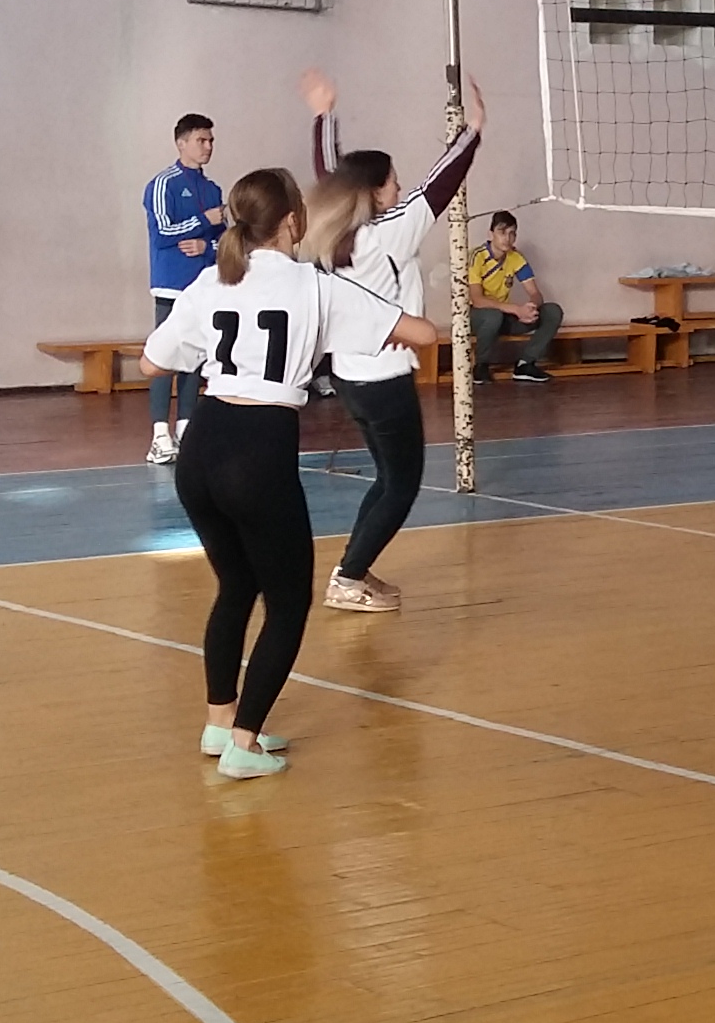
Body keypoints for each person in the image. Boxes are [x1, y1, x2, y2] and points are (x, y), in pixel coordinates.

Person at [140, 168, 433, 779]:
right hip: (258, 449)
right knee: (288, 601)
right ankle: (244, 745)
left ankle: (220, 724)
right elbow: (421, 334)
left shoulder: (211, 279)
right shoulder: (316, 287)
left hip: (202, 448)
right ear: (294, 221)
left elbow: (151, 363)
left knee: (235, 586)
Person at [306, 74, 482, 612]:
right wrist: (473, 131)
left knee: (387, 478)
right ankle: (348, 579)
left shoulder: (339, 230)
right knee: (402, 484)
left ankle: (352, 569)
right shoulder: (388, 231)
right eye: (393, 184)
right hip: (383, 380)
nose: (400, 191)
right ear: (375, 192)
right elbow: (440, 185)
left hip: (350, 375)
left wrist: (323, 118)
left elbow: (330, 176)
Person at [143, 114, 225, 466]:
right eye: (200, 140)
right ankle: (159, 434)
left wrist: (206, 247)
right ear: (181, 143)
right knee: (165, 357)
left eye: (210, 141)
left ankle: (186, 427)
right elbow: (163, 232)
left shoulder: (213, 189)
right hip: (171, 285)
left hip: (203, 284)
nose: (207, 147)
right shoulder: (163, 184)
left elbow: (224, 240)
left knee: (194, 357)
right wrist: (203, 221)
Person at [468, 212, 561, 382]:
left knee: (552, 311)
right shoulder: (477, 256)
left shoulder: (515, 257)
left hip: (504, 315)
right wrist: (516, 309)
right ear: (491, 234)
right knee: (492, 316)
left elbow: (535, 293)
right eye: (502, 232)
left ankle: (525, 364)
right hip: (477, 316)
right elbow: (477, 300)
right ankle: (480, 365)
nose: (507, 238)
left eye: (512, 233)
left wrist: (530, 308)